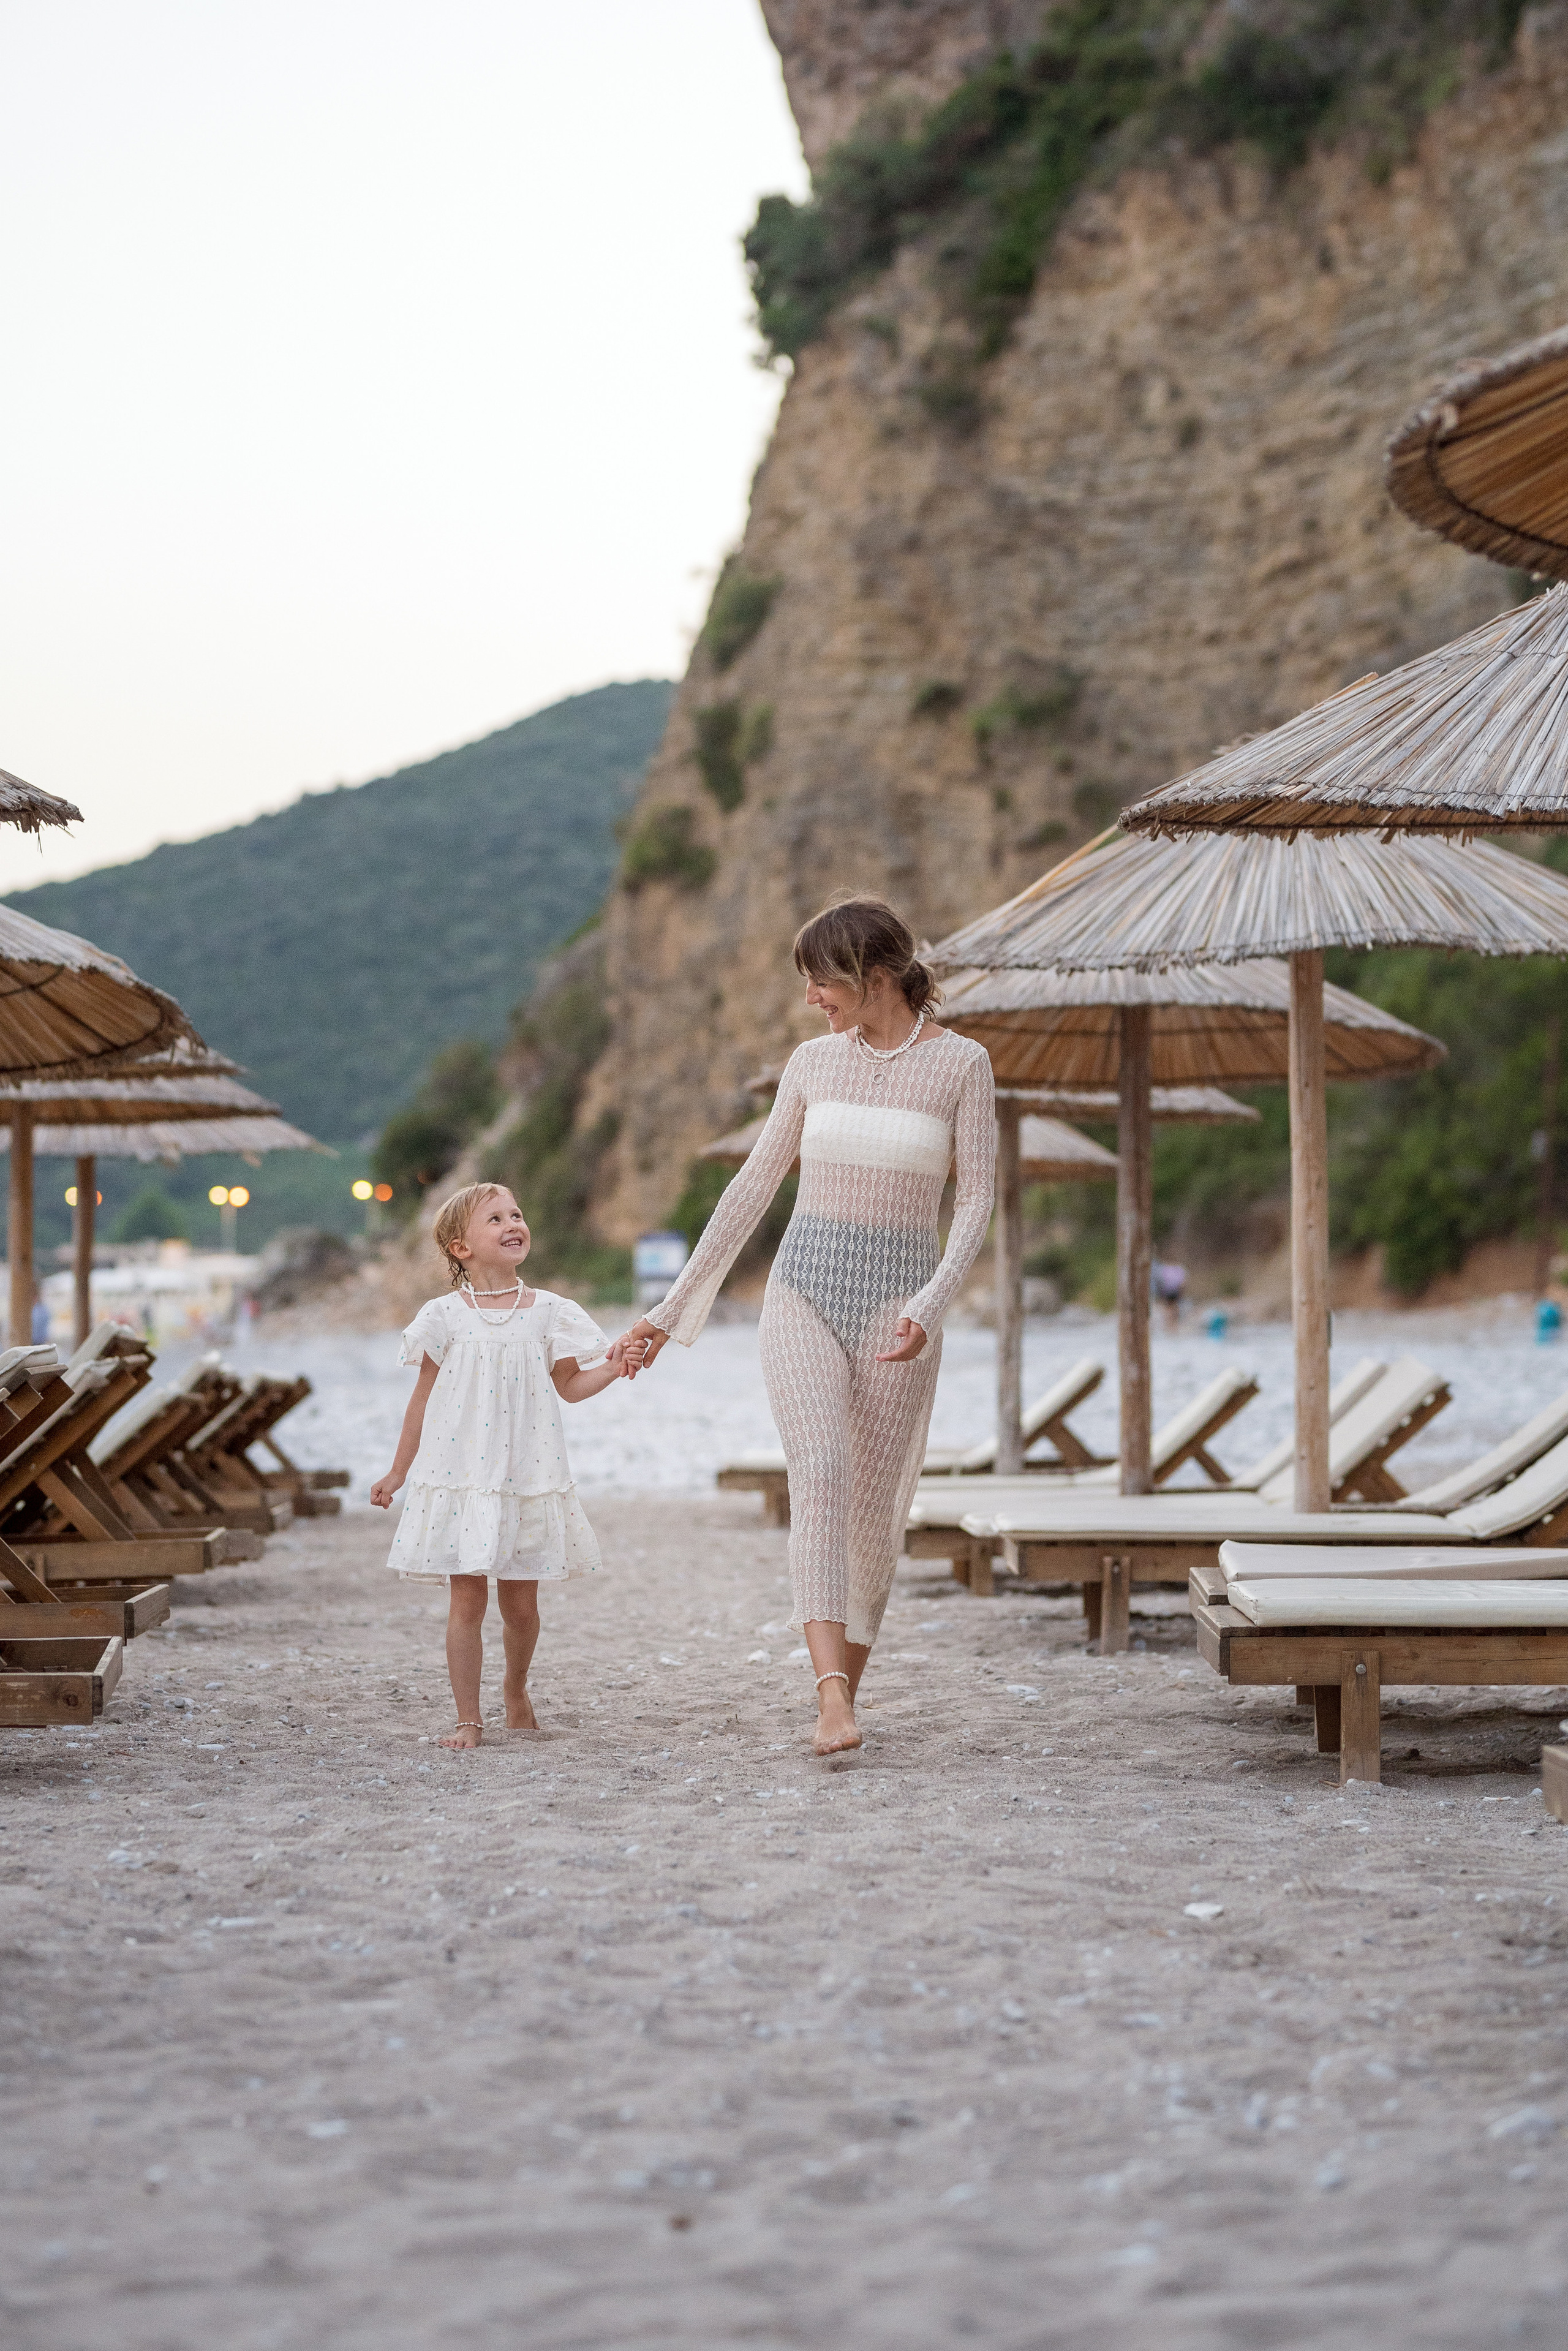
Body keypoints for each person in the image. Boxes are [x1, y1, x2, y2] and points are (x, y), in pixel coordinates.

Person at [627, 895, 997, 1757]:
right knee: (822, 1470)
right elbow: (751, 1188)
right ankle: (829, 1696)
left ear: (874, 976)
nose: (810, 1000)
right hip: (801, 1291)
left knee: (873, 1510)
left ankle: (845, 1698)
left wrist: (929, 1304)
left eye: (819, 981)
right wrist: (668, 1311)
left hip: (898, 1308)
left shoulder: (963, 1065)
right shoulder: (810, 1063)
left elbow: (976, 1198)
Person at [371, 1181, 641, 1749]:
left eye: (516, 1214)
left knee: (521, 1607)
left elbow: (569, 1385)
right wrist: (398, 1472)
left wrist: (613, 1367)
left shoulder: (549, 1312)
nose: (512, 1223)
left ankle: (516, 1689)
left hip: (526, 1475)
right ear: (459, 1247)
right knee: (466, 1599)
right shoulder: (443, 1316)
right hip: (462, 1477)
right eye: (494, 1219)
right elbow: (421, 1399)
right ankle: (468, 1718)